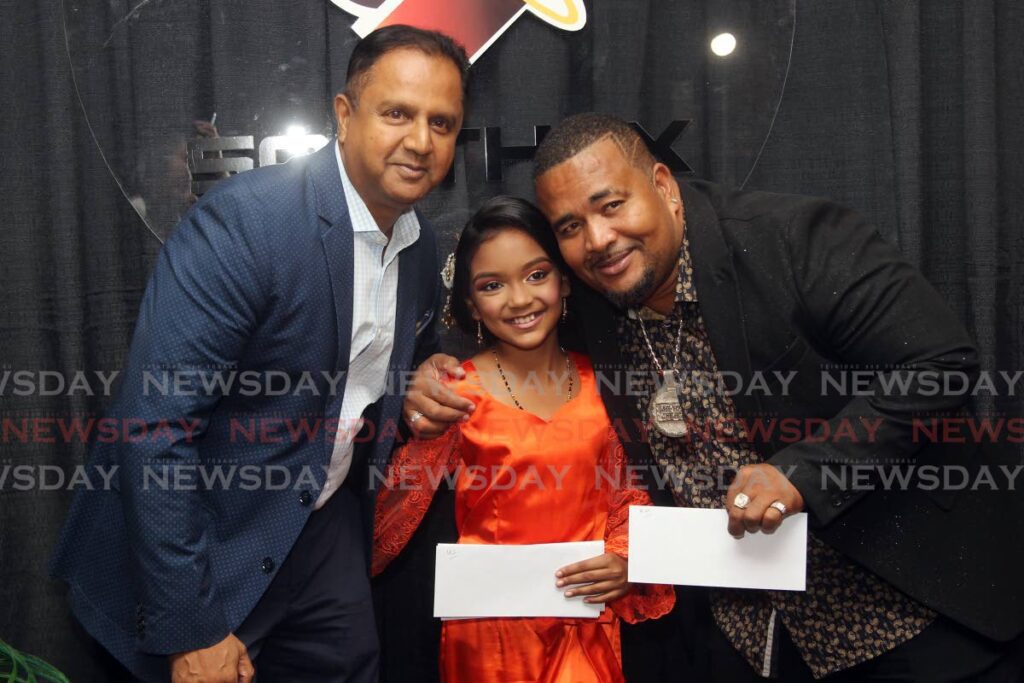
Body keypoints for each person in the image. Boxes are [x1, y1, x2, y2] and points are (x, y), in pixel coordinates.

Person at [404, 113, 1024, 681]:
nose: (598, 238)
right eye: (571, 227)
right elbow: (513, 323)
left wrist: (805, 473)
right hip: (753, 639)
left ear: (664, 186)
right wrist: (434, 370)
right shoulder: (596, 294)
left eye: (612, 204)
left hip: (901, 611)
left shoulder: (792, 240)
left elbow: (940, 363)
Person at [50, 25, 468, 683]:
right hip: (207, 537)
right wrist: (192, 626)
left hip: (324, 526)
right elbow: (155, 426)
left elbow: (374, 359)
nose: (420, 140)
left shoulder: (418, 243)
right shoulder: (249, 221)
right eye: (397, 113)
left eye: (441, 122)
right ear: (344, 113)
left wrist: (422, 372)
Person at [373, 196, 674, 683]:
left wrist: (628, 557)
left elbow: (633, 493)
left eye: (537, 275)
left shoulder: (607, 387)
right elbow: (388, 523)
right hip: (489, 640)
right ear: (471, 304)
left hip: (586, 626)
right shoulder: (454, 395)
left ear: (565, 281)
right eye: (493, 285)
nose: (519, 300)